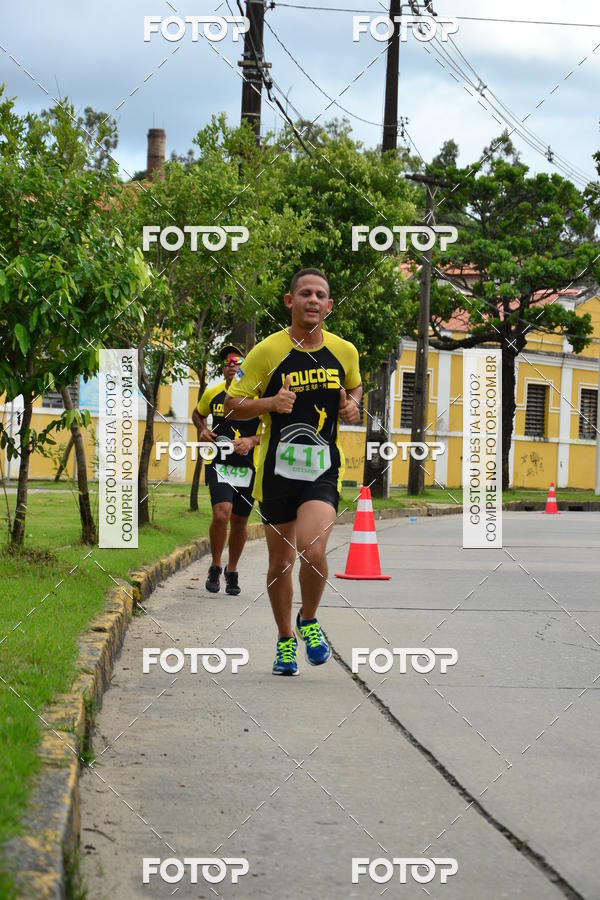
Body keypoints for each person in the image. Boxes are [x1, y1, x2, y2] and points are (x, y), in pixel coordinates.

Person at [224, 269, 362, 675]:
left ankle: (309, 619)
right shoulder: (268, 352)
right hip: (277, 473)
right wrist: (270, 404)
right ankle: (286, 639)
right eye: (305, 293)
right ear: (290, 301)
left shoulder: (345, 351)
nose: (313, 300)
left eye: (321, 294)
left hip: (322, 468)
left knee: (314, 551)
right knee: (280, 563)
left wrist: (352, 404)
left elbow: (354, 388)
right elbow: (232, 404)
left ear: (330, 305)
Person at [192, 345, 261, 595]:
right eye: (227, 361)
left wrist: (252, 441)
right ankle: (215, 566)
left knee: (240, 521)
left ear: (245, 365)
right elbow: (197, 414)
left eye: (237, 360)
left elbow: (271, 431)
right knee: (222, 514)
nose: (231, 363)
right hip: (219, 462)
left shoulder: (256, 397)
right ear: (223, 368)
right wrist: (202, 429)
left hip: (247, 467)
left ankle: (232, 570)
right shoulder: (213, 394)